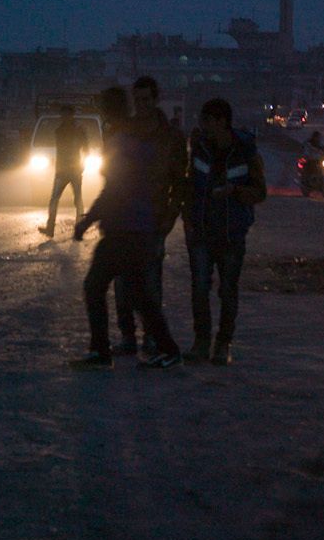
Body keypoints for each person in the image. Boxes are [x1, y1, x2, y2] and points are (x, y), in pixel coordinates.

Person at [72, 85, 183, 369]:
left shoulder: (121, 141)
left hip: (125, 227)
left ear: (106, 111)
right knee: (137, 294)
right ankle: (164, 348)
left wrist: (87, 220)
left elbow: (113, 188)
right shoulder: (135, 140)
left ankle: (103, 351)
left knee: (97, 286)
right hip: (137, 225)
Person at [183, 98, 266, 365]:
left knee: (228, 290)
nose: (203, 126)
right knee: (199, 289)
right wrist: (188, 220)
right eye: (202, 121)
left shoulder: (245, 151)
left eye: (207, 121)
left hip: (231, 234)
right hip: (201, 233)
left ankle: (223, 343)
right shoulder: (199, 148)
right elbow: (190, 187)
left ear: (222, 122)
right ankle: (201, 342)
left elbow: (260, 192)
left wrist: (235, 191)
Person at [111, 76, 188, 354]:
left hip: (154, 218)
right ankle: (128, 336)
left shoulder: (171, 137)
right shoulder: (124, 131)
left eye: (145, 100)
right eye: (137, 100)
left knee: (150, 281)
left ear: (155, 100)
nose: (141, 105)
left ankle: (151, 337)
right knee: (122, 281)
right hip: (124, 217)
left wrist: (170, 215)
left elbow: (180, 181)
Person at [39, 104, 90, 236]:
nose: (64, 117)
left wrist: (82, 164)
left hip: (71, 170)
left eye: (66, 114)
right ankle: (52, 228)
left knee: (75, 200)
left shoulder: (73, 130)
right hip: (64, 170)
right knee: (61, 199)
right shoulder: (62, 130)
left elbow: (86, 149)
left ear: (71, 115)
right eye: (63, 115)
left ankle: (77, 228)